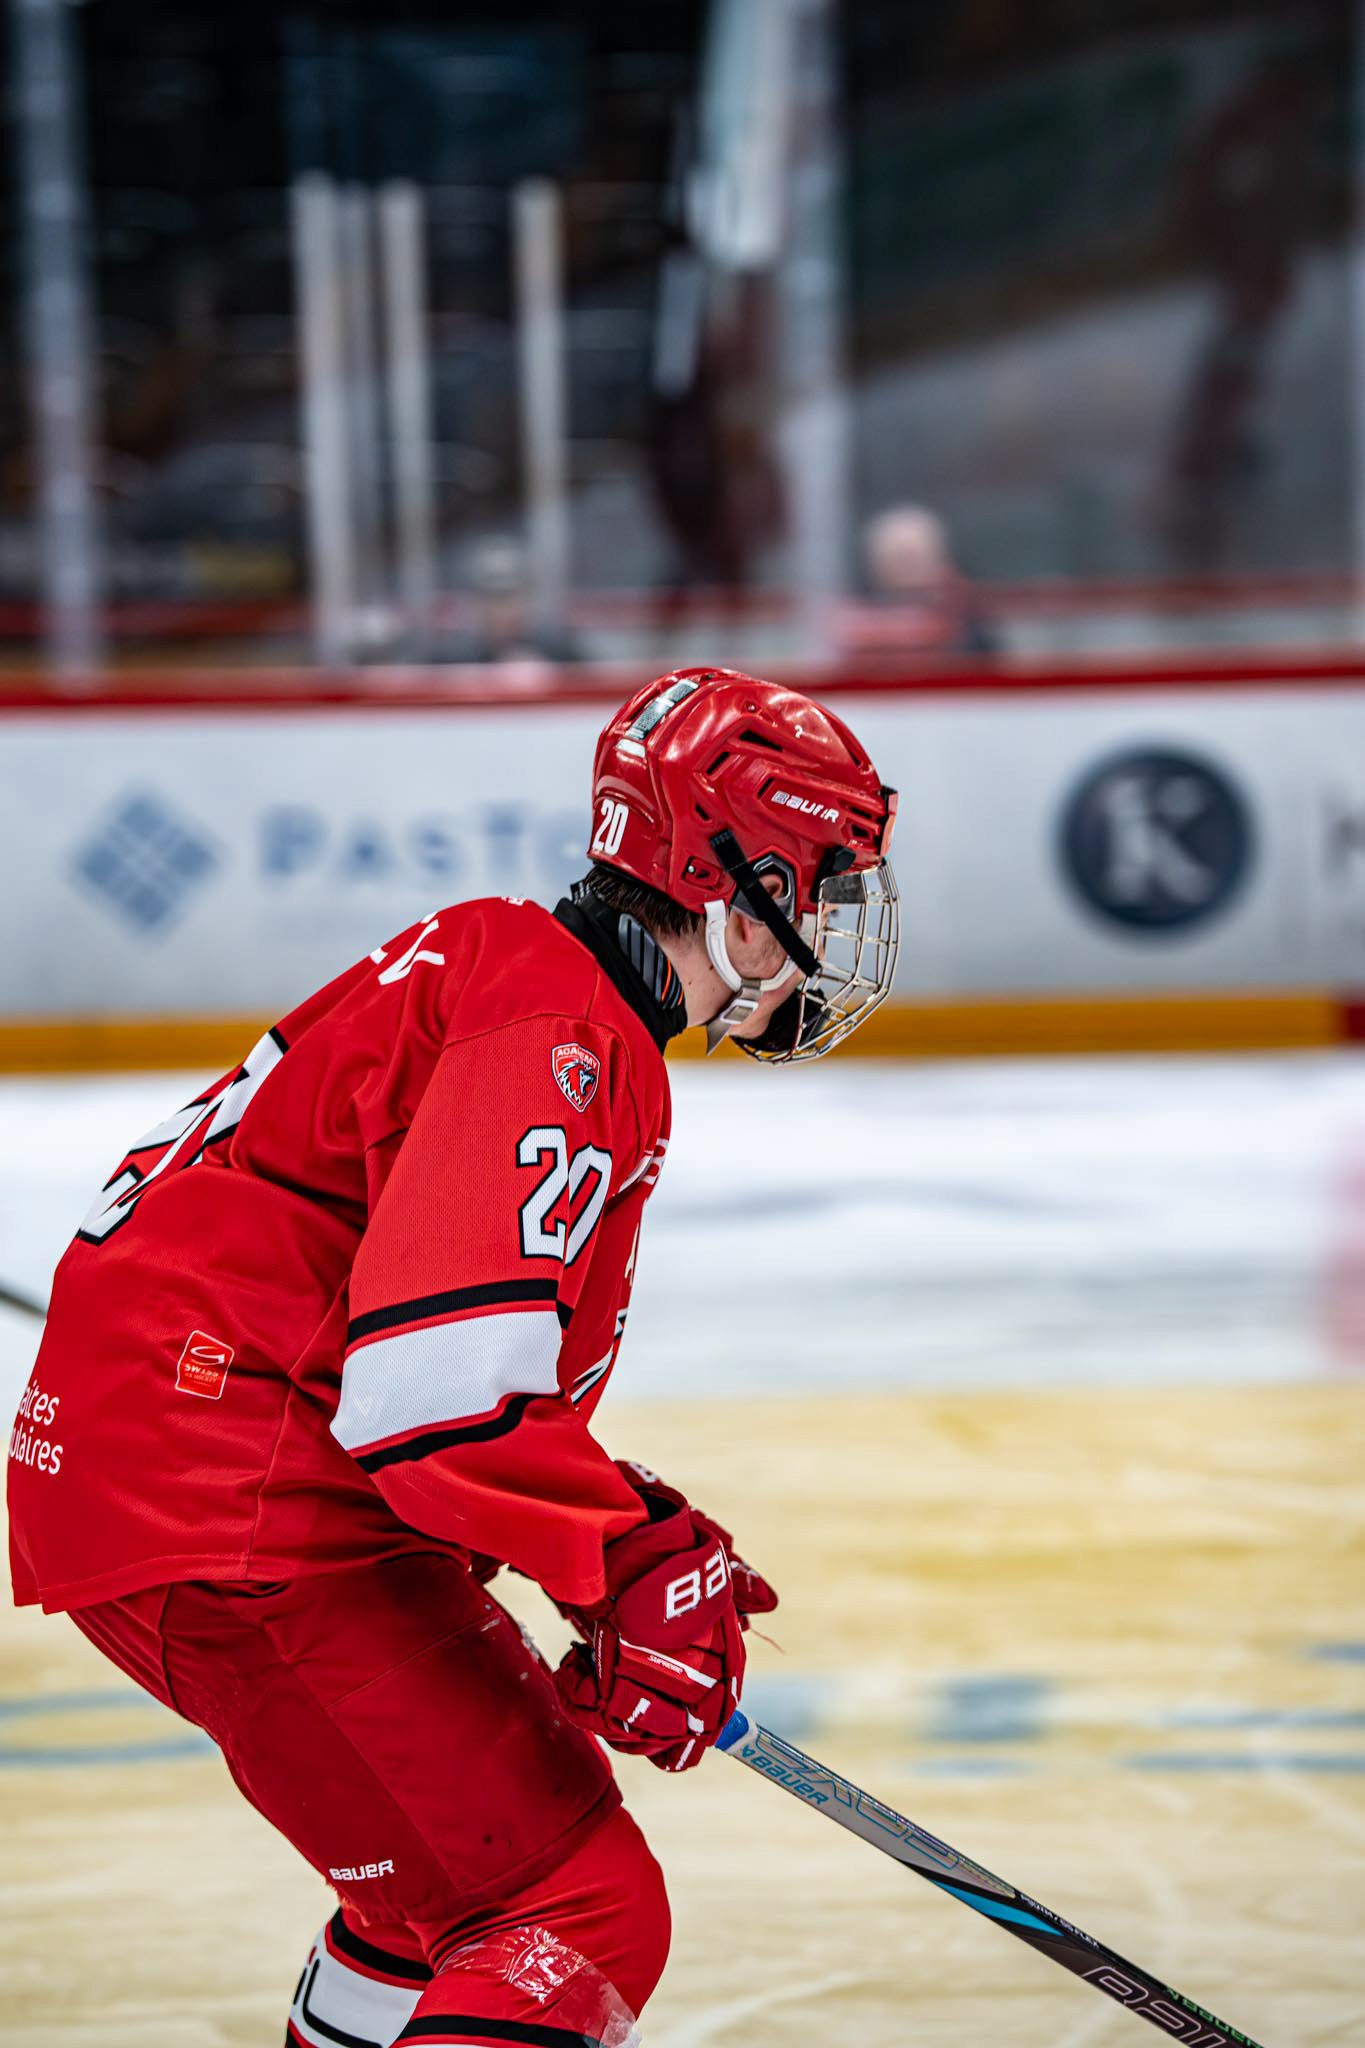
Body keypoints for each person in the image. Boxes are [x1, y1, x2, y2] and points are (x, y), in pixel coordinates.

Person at [7, 666, 899, 2047]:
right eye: (825, 888)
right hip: (237, 1497)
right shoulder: (555, 1030)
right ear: (741, 885)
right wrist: (627, 1555)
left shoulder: (510, 973)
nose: (832, 932)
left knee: (431, 1900)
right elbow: (434, 1400)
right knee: (571, 1908)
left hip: (183, 1472)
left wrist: (607, 1541)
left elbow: (428, 1371)